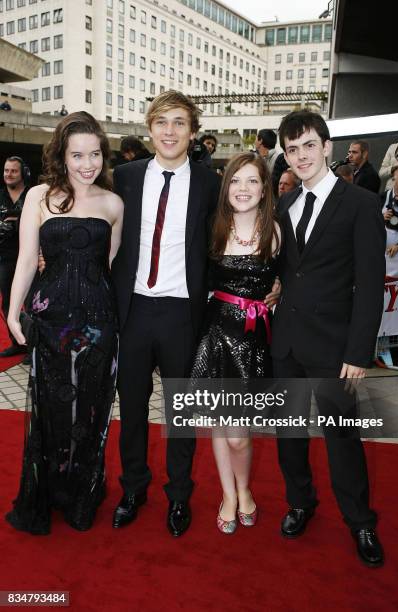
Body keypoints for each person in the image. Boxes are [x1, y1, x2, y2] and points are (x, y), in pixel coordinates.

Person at [272, 110, 386, 567]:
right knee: (289, 435)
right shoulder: (283, 206)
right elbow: (285, 272)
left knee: (342, 440)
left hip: (336, 349)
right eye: (292, 149)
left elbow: (371, 284)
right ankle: (301, 502)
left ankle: (360, 522)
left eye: (308, 146)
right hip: (286, 343)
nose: (301, 156)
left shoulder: (359, 203)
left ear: (326, 147)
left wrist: (360, 351)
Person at [5, 111, 123, 535]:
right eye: (77, 155)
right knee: (52, 407)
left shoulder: (113, 204)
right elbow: (24, 260)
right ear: (62, 155)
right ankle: (51, 488)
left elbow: (108, 265)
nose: (87, 163)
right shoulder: (39, 196)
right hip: (50, 319)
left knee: (90, 410)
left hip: (98, 323)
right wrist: (13, 310)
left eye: (94, 154)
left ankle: (81, 492)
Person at [111, 90, 221, 537]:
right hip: (133, 310)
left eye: (179, 122)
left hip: (182, 312)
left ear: (192, 132)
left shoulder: (212, 183)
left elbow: (224, 243)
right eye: (161, 122)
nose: (170, 131)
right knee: (132, 409)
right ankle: (133, 488)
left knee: (181, 413)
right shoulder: (124, 176)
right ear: (150, 128)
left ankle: (179, 495)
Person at [191, 152, 280, 533]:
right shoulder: (213, 228)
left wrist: (282, 288)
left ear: (264, 189)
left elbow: (297, 275)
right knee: (217, 424)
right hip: (215, 337)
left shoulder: (277, 230)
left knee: (239, 436)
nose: (243, 189)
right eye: (236, 181)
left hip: (252, 340)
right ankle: (230, 494)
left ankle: (244, 488)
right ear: (226, 186)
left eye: (252, 181)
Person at [0, 157, 30, 357]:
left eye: (13, 171)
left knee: (32, 303)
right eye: (6, 170)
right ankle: (17, 343)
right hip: (5, 257)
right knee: (7, 302)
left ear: (24, 173)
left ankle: (32, 345)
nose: (8, 174)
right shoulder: (0, 195)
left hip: (31, 257)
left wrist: (17, 223)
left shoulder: (33, 195)